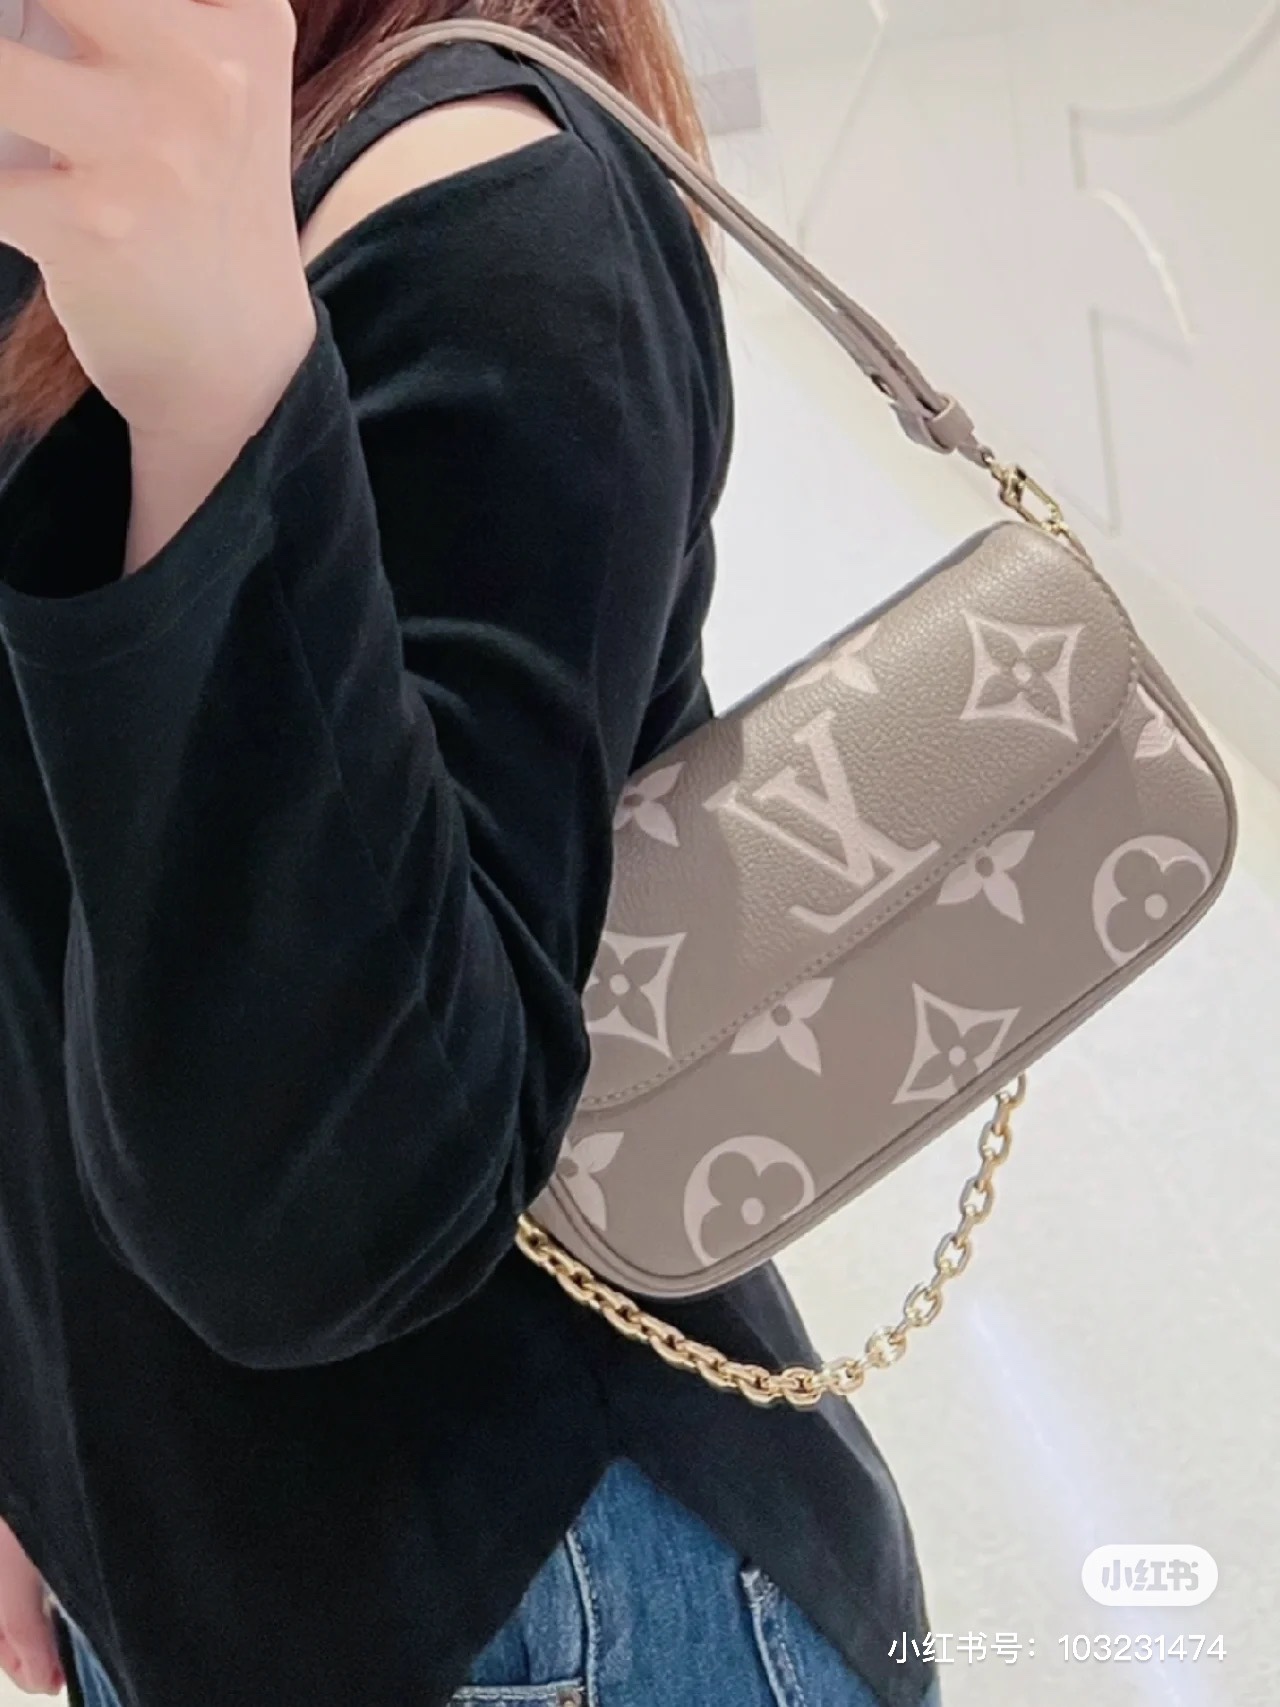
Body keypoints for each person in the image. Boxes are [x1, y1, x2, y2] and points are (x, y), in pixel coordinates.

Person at [0, 2, 940, 1703]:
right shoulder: (77, 179)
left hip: (533, 1611)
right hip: (179, 1547)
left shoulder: (486, 215)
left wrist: (215, 390)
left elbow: (319, 1210)